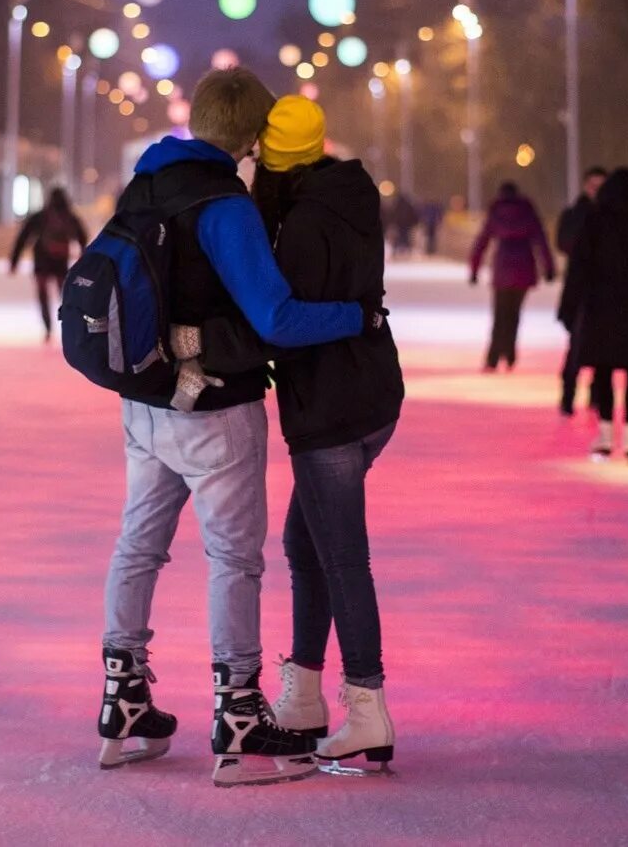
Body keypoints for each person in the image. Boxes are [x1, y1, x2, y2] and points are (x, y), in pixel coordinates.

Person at [94, 67, 371, 788]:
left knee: (137, 545)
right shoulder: (225, 202)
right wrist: (356, 316)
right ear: (251, 136)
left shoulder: (145, 182)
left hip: (145, 402)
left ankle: (123, 700)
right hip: (214, 412)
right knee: (234, 559)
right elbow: (274, 316)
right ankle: (240, 712)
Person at [198, 96, 405, 776]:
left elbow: (282, 321)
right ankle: (308, 692)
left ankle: (366, 707)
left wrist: (204, 340)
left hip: (330, 411)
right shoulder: (351, 194)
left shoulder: (302, 224)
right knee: (304, 541)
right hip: (374, 397)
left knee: (342, 555)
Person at [561, 168, 628, 464]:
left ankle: (605, 437)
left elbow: (577, 272)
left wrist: (569, 308)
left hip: (600, 312)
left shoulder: (594, 225)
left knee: (603, 373)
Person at [468, 181, 555, 371]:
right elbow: (542, 241)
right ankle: (510, 355)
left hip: (502, 269)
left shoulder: (496, 211)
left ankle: (493, 358)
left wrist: (474, 269)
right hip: (524, 269)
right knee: (514, 314)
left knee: (499, 314)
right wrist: (549, 267)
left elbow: (482, 241)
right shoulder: (528, 211)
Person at [554, 167, 609, 413]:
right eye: (593, 186)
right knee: (576, 345)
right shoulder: (575, 214)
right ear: (586, 186)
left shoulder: (612, 217)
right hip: (580, 290)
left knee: (603, 346)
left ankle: (597, 396)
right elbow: (563, 242)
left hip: (606, 290)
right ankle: (568, 396)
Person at [8, 186, 87, 341]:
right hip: (60, 263)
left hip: (41, 262)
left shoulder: (40, 216)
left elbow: (23, 237)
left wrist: (14, 261)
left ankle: (48, 328)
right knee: (65, 296)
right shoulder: (69, 216)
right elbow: (82, 237)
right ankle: (69, 327)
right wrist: (83, 257)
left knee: (42, 296)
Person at [386, 192, 420, 259]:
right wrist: (414, 223)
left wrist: (392, 223)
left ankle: (397, 251)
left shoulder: (397, 205)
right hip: (407, 225)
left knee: (399, 237)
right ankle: (405, 250)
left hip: (399, 225)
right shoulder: (408, 205)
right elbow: (413, 215)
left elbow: (392, 215)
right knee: (405, 237)